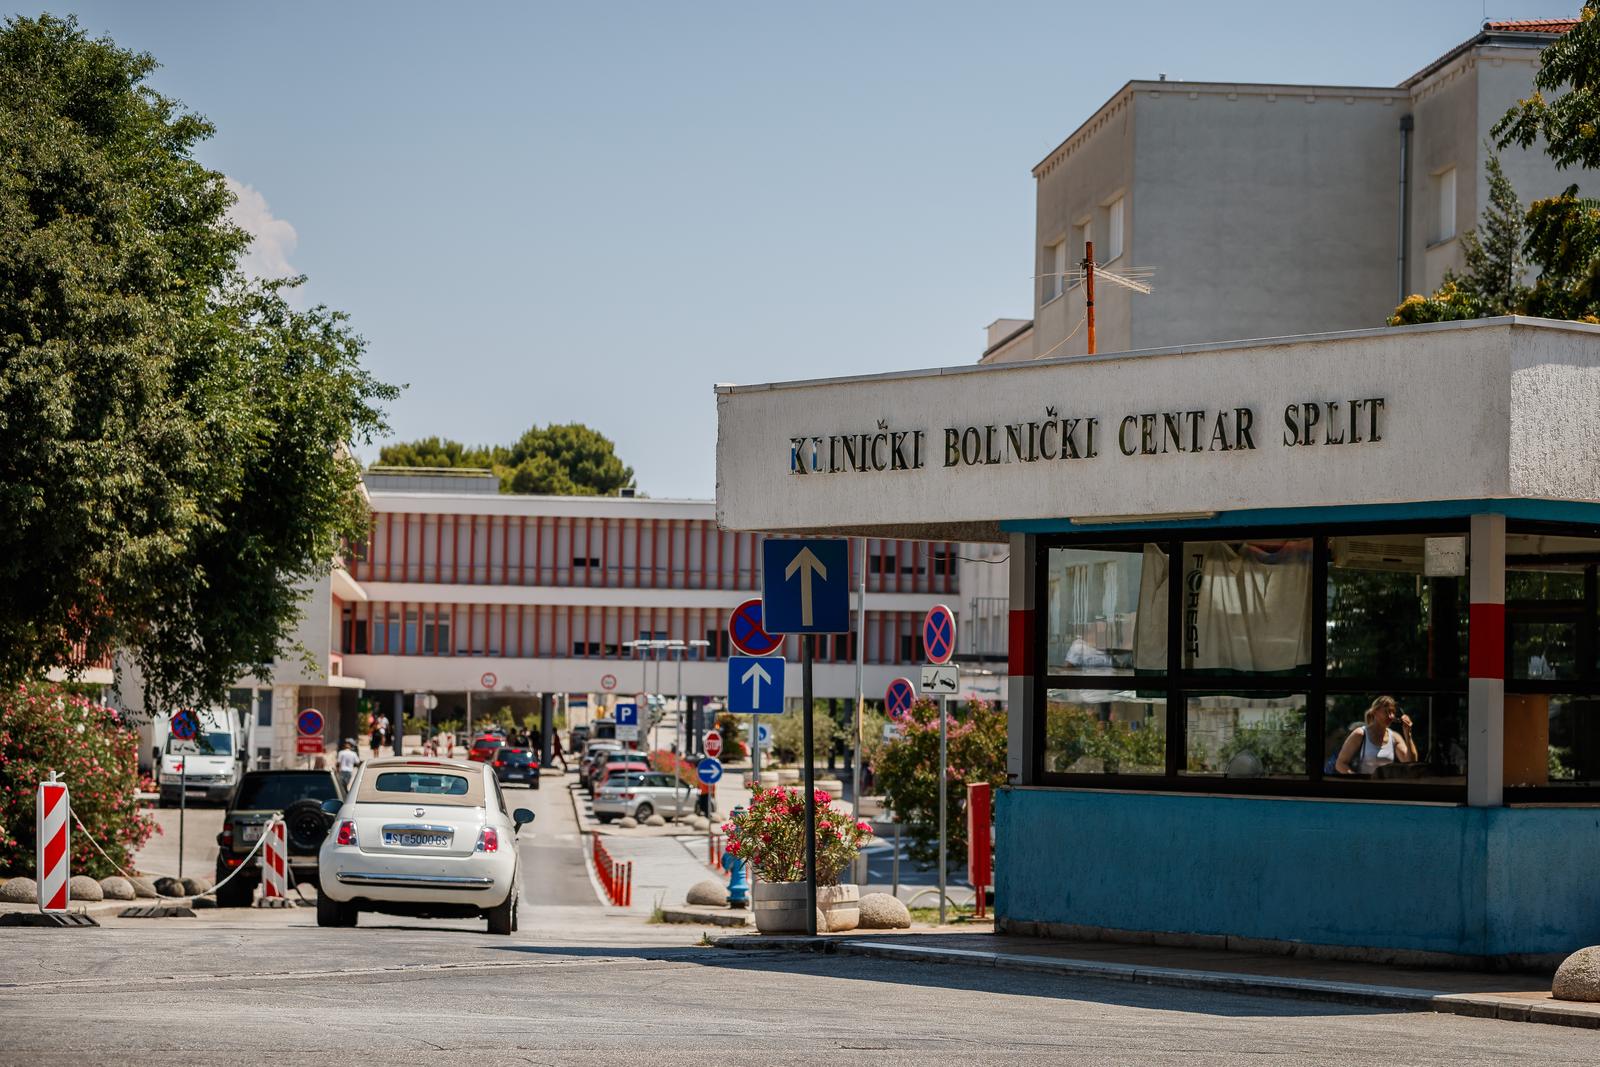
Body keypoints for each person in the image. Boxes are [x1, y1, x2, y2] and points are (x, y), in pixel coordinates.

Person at [1333, 696, 1417, 775]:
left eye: (1393, 712)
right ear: (1375, 712)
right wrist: (1357, 780)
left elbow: (1410, 764)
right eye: (1387, 711)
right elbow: (1340, 764)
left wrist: (1408, 735)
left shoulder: (1395, 737)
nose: (1391, 716)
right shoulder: (1360, 734)